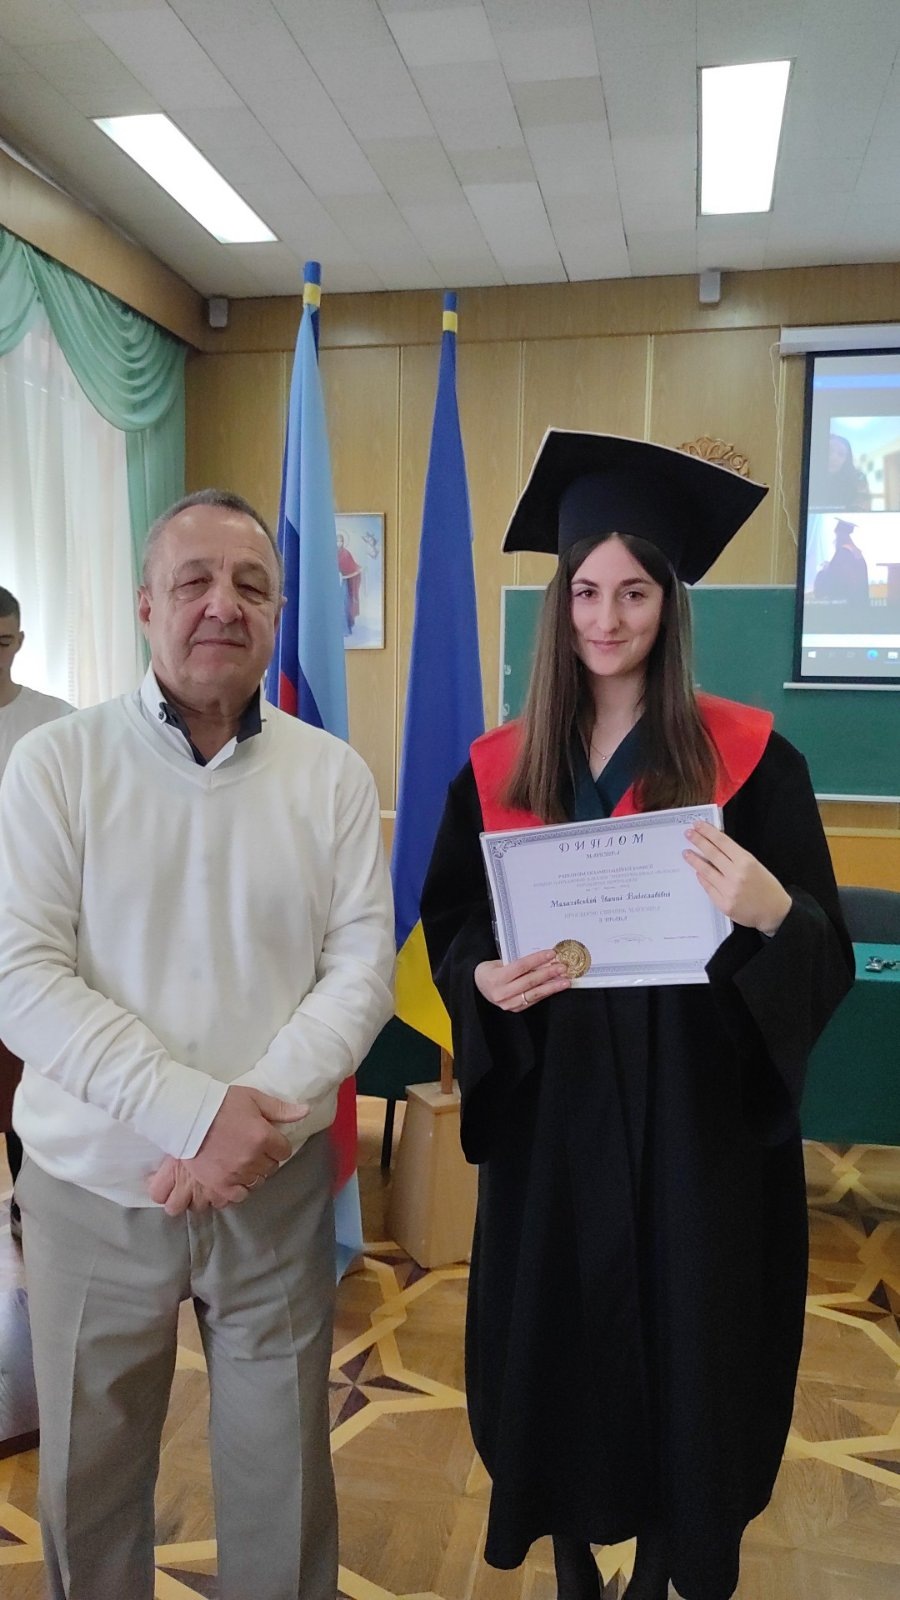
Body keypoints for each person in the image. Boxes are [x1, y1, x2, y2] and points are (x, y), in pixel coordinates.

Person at [421, 432, 854, 1600]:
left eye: (633, 592)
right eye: (585, 592)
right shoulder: (500, 767)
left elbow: (822, 947)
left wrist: (775, 911)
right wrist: (480, 979)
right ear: (559, 603)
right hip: (555, 1117)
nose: (605, 619)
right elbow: (454, 920)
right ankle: (569, 1557)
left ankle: (671, 1558)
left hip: (697, 1125)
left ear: (669, 603)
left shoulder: (753, 761)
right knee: (556, 1335)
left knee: (692, 1339)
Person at [0, 490, 394, 1600]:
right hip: (92, 1189)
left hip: (271, 1187)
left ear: (277, 612)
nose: (224, 604)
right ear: (144, 605)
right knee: (88, 1478)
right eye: (193, 581)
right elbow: (21, 978)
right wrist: (195, 1114)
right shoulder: (56, 765)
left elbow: (360, 973)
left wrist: (245, 1124)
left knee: (283, 1478)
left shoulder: (332, 775)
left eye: (251, 585)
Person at [0, 586, 73, 1241]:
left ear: (19, 642)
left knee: (29, 1082)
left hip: (33, 935)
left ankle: (32, 1209)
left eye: (1, 642)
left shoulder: (58, 726)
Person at [813, 518, 871, 605]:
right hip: (857, 597)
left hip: (847, 598)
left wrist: (826, 568)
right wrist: (830, 565)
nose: (835, 539)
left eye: (837, 535)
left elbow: (836, 572)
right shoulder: (854, 550)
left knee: (821, 575)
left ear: (841, 535)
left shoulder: (844, 551)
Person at [811, 432, 871, 512]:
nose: (834, 458)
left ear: (846, 460)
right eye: (829, 451)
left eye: (841, 454)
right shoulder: (812, 477)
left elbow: (863, 508)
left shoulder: (857, 478)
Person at [337, 530, 362, 634]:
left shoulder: (346, 554)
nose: (339, 543)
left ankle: (345, 629)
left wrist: (357, 570)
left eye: (341, 541)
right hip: (332, 585)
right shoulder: (330, 554)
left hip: (343, 584)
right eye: (337, 541)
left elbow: (352, 567)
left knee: (344, 605)